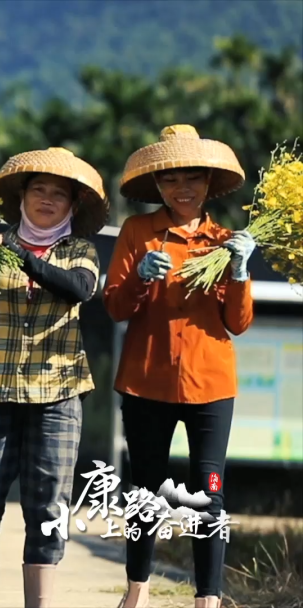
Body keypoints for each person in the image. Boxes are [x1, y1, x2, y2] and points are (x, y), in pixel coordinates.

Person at [0, 147, 109, 608]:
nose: (48, 199)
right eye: (39, 190)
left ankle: (39, 601)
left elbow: (77, 288)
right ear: (21, 196)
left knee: (47, 502)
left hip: (58, 391)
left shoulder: (79, 250)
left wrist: (14, 250)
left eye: (60, 194)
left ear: (73, 206)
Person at [106, 125, 253, 608]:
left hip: (211, 386)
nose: (182, 189)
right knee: (144, 490)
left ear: (209, 183)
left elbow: (237, 323)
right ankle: (136, 593)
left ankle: (207, 600)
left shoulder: (226, 241)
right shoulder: (137, 232)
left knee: (210, 493)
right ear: (158, 186)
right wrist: (140, 281)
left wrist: (240, 270)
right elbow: (116, 307)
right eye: (171, 180)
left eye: (193, 178)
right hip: (146, 380)